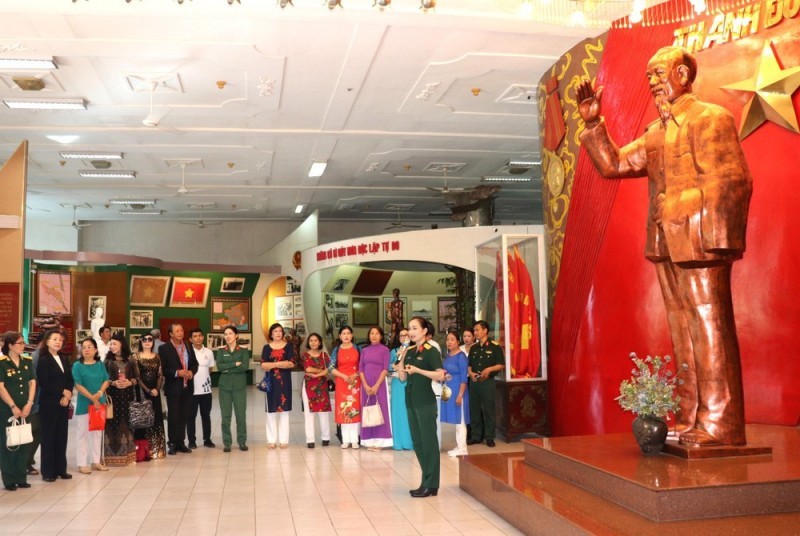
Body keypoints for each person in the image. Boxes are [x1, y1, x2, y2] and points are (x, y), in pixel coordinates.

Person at [577, 46, 753, 446]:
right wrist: (593, 124)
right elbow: (615, 165)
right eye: (649, 76)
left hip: (699, 242)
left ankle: (721, 425)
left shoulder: (711, 118)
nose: (653, 82)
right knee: (684, 333)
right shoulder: (656, 134)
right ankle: (692, 418)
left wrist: (677, 206)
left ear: (683, 75)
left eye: (658, 73)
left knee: (709, 329)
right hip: (666, 244)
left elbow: (732, 181)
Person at [397, 317, 445, 498]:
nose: (411, 331)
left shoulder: (431, 351)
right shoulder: (408, 351)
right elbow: (402, 378)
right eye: (410, 328)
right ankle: (426, 481)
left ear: (425, 331)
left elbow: (440, 374)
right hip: (410, 402)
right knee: (418, 443)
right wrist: (400, 361)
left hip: (425, 402)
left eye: (415, 328)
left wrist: (418, 371)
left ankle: (432, 484)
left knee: (429, 443)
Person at [36, 329, 74, 482]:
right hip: (49, 404)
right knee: (49, 437)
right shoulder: (44, 360)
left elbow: (70, 379)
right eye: (54, 339)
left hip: (63, 403)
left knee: (61, 437)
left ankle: (60, 469)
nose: (58, 342)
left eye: (60, 339)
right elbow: (44, 382)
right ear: (47, 342)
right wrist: (62, 392)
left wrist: (68, 393)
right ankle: (47, 472)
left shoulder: (64, 358)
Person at [0, 332, 36, 490]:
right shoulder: (2, 363)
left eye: (23, 343)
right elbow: (0, 387)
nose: (23, 345)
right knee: (8, 444)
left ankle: (21, 477)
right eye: (20, 343)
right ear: (10, 345)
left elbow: (32, 382)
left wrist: (29, 403)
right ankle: (9, 479)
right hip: (7, 409)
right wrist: (13, 406)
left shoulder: (27, 361)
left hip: (25, 409)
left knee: (23, 441)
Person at [159, 323, 198, 455]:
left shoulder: (188, 345)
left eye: (181, 330)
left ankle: (181, 442)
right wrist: (177, 373)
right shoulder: (164, 348)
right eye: (177, 331)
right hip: (173, 387)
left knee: (184, 415)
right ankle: (172, 443)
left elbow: (194, 364)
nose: (180, 333)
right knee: (173, 416)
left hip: (187, 387)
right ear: (171, 334)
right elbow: (163, 369)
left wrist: (192, 372)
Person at [72, 337, 110, 474]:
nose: (86, 349)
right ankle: (82, 464)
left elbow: (106, 380)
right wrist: (92, 398)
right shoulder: (77, 365)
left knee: (97, 432)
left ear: (95, 350)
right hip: (84, 404)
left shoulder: (100, 364)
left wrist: (99, 394)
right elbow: (78, 384)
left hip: (100, 403)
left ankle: (95, 461)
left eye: (89, 347)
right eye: (84, 347)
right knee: (82, 433)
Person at [467, 320, 505, 448]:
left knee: (489, 409)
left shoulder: (495, 347)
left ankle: (489, 437)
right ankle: (476, 436)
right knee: (474, 409)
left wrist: (489, 369)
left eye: (477, 330)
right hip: (474, 383)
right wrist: (470, 373)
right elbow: (469, 365)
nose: (475, 333)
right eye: (474, 330)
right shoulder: (474, 348)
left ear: (485, 331)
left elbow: (501, 364)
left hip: (487, 382)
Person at [104, 333, 139, 466]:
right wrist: (113, 383)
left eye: (115, 344)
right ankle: (110, 457)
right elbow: (103, 380)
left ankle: (128, 456)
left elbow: (137, 378)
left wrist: (130, 382)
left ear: (122, 345)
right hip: (113, 399)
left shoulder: (130, 360)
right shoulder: (107, 361)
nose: (112, 346)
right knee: (112, 425)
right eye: (111, 344)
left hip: (127, 399)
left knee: (127, 425)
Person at [261, 323, 295, 449]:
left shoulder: (289, 347)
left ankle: (284, 440)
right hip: (271, 383)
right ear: (271, 333)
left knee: (284, 411)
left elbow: (291, 364)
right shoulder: (266, 348)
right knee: (271, 411)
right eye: (275, 331)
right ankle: (271, 440)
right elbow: (263, 365)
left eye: (280, 331)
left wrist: (273, 364)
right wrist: (282, 363)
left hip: (285, 382)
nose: (278, 333)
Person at [358, 326, 392, 451]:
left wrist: (376, 385)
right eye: (372, 333)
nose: (374, 335)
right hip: (365, 384)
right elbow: (360, 369)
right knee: (367, 410)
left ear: (381, 336)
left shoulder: (385, 350)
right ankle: (368, 441)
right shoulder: (364, 350)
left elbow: (385, 369)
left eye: (377, 333)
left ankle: (381, 442)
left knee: (381, 410)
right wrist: (366, 385)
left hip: (379, 384)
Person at [216, 325, 249, 452]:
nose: (228, 336)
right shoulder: (221, 351)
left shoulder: (243, 350)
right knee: (226, 416)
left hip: (239, 386)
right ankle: (227, 443)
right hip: (224, 387)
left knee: (240, 415)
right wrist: (235, 364)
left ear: (236, 336)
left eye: (230, 333)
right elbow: (219, 367)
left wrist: (227, 368)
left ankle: (242, 441)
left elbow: (245, 366)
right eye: (225, 334)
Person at [134, 334, 167, 459]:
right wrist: (148, 390)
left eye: (150, 339)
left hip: (155, 393)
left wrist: (157, 389)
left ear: (153, 342)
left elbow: (160, 374)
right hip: (141, 393)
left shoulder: (157, 356)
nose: (147, 342)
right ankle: (143, 452)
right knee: (142, 420)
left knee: (156, 419)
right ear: (141, 342)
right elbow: (137, 377)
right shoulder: (135, 357)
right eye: (144, 339)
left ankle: (157, 451)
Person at [329, 325, 361, 449]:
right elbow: (331, 367)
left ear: (352, 335)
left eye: (348, 333)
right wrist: (343, 376)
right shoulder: (336, 350)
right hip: (342, 382)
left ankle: (354, 440)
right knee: (343, 409)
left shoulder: (358, 348)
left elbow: (362, 366)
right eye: (343, 333)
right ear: (340, 336)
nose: (346, 336)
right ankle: (345, 439)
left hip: (355, 382)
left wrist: (355, 375)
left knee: (354, 408)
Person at [301, 333, 331, 448]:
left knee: (323, 412)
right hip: (309, 385)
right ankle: (310, 439)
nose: (313, 343)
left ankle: (326, 437)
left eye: (316, 340)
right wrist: (321, 371)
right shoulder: (305, 355)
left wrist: (317, 372)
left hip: (322, 385)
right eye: (311, 340)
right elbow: (307, 368)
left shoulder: (324, 355)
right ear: (308, 343)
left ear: (319, 342)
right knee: (309, 413)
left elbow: (329, 369)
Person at [442, 330, 470, 457]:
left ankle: (462, 448)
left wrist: (460, 395)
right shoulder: (448, 355)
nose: (449, 342)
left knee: (460, 420)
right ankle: (459, 445)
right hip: (449, 390)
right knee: (455, 419)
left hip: (459, 391)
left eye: (452, 339)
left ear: (458, 341)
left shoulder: (461, 356)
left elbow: (464, 377)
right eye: (448, 339)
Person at [188, 328, 215, 450]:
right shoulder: (187, 352)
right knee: (191, 416)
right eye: (195, 336)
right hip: (191, 391)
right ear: (190, 339)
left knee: (206, 415)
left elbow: (210, 369)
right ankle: (191, 441)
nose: (198, 338)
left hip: (206, 391)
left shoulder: (209, 352)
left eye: (200, 335)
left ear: (203, 337)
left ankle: (207, 439)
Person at [389, 328, 413, 451]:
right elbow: (388, 366)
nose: (404, 337)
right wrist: (393, 366)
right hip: (396, 384)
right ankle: (397, 442)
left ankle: (409, 442)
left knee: (408, 413)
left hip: (410, 383)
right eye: (401, 335)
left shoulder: (414, 350)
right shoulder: (394, 351)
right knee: (397, 412)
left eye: (406, 335)